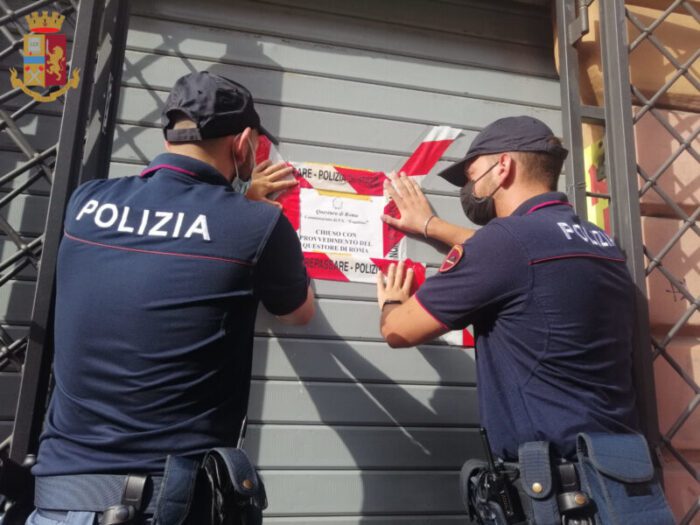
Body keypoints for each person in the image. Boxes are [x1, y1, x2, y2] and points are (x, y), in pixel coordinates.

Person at [26, 71, 314, 524]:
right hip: (159, 506)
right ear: (243, 144)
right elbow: (298, 311)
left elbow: (161, 251)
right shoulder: (257, 226)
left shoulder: (86, 204)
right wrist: (258, 217)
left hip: (56, 502)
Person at [376, 116, 673, 524]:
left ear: (503, 168)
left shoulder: (508, 243)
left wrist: (391, 301)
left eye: (472, 173)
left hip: (563, 498)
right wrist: (432, 226)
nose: (470, 187)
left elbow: (398, 330)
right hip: (625, 488)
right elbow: (521, 257)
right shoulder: (600, 244)